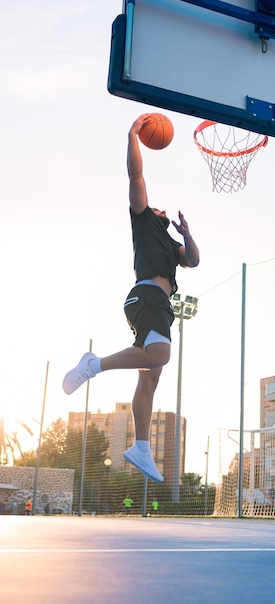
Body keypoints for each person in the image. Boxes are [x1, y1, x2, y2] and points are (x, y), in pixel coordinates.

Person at [63, 114, 200, 484]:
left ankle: (141, 447)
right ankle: (95, 364)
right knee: (161, 356)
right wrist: (133, 137)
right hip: (146, 298)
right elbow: (136, 177)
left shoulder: (172, 247)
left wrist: (187, 233)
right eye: (161, 210)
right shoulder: (143, 219)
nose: (164, 210)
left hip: (157, 305)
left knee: (150, 377)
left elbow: (194, 260)